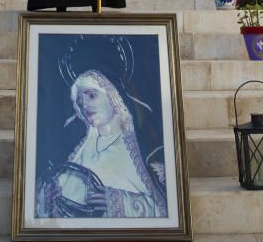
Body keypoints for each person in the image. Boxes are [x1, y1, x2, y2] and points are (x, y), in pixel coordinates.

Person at [35, 69, 167, 218]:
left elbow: (166, 209)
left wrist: (119, 202)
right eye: (79, 102)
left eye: (92, 95)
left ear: (113, 95)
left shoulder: (147, 152)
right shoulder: (75, 150)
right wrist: (47, 199)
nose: (84, 104)